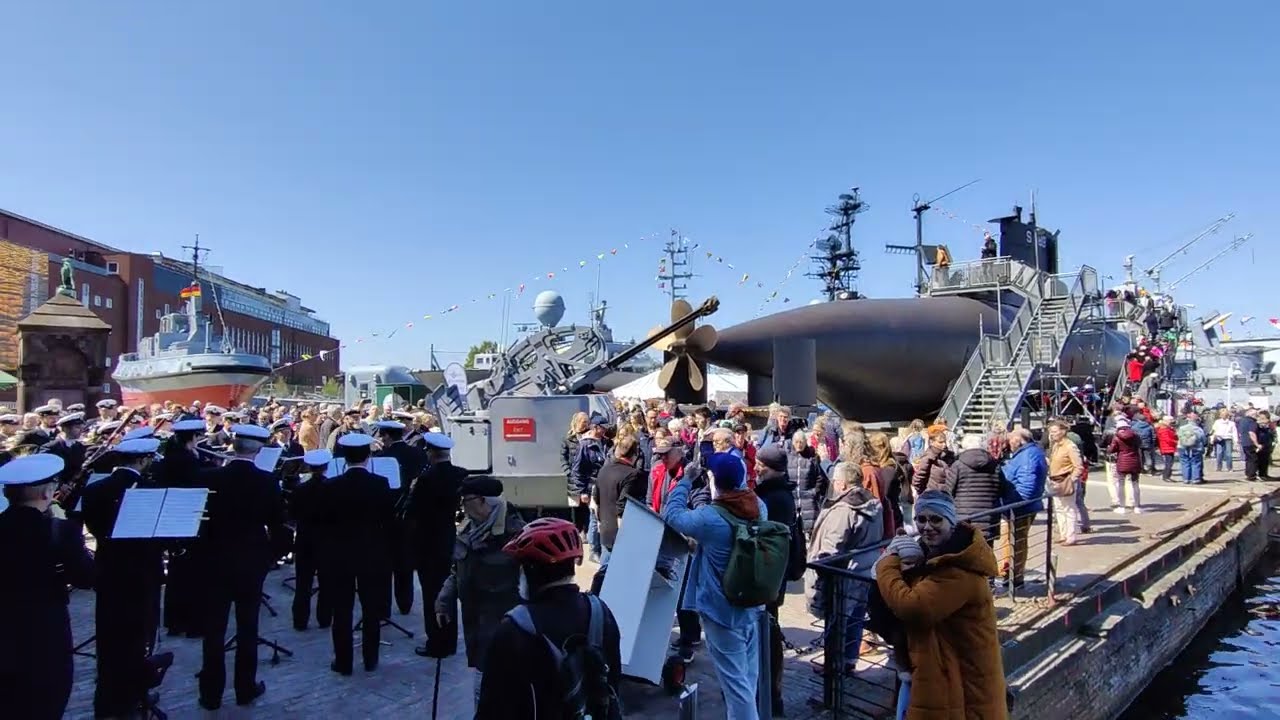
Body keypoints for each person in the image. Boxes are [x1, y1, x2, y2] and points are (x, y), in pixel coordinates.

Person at [874, 490, 1007, 718]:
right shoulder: (937, 556)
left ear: (951, 522)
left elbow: (913, 607)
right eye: (921, 519)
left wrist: (887, 562)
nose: (927, 526)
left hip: (964, 693)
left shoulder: (959, 570)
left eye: (936, 519)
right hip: (947, 679)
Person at [476, 518, 624, 719]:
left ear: (531, 571)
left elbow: (492, 709)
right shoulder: (600, 611)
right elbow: (613, 680)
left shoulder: (514, 630)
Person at [663, 452, 768, 720]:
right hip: (752, 603)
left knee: (736, 686)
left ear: (715, 481)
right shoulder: (759, 507)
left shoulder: (711, 518)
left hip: (723, 610)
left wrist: (685, 480)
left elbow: (672, 514)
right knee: (747, 676)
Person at [80, 436, 174, 718]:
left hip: (108, 569)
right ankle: (133, 696)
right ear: (144, 460)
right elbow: (160, 537)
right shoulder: (149, 490)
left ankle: (107, 700)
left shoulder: (95, 488)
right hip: (142, 572)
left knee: (109, 638)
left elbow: (93, 529)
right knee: (138, 638)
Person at [196, 423, 287, 709]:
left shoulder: (209, 477)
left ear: (233, 447)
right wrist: (271, 555)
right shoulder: (267, 481)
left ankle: (210, 694)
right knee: (248, 626)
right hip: (251, 560)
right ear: (259, 451)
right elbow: (279, 527)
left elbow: (199, 523)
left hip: (214, 560)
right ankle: (244, 688)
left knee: (213, 630)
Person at [0, 454, 96, 719]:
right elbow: (86, 578)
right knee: (47, 698)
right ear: (45, 492)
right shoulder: (61, 530)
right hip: (45, 627)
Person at [434, 474, 525, 706]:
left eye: (466, 500)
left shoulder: (516, 534)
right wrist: (444, 599)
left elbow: (530, 585)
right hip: (476, 623)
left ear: (484, 501)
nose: (462, 506)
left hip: (504, 627)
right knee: (482, 685)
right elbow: (458, 569)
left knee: (496, 689)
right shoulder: (469, 529)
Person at [318, 432, 396, 676]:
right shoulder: (381, 484)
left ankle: (343, 662)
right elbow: (388, 521)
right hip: (372, 553)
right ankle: (370, 658)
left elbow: (325, 523)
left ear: (343, 458)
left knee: (341, 610)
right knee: (371, 608)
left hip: (339, 555)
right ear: (368, 456)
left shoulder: (330, 486)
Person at [408, 431, 466, 658]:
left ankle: (436, 642)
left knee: (432, 594)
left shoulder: (426, 479)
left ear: (431, 453)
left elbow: (413, 511)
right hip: (449, 538)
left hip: (428, 542)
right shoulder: (460, 474)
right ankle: (450, 640)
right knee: (448, 591)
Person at [372, 419, 426, 616]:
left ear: (386, 436)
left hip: (386, 516)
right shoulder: (417, 453)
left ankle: (384, 607)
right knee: (404, 560)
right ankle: (405, 603)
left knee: (384, 564)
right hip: (410, 516)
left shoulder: (382, 456)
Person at [590, 433, 646, 595]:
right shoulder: (633, 474)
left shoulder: (604, 470)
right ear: (634, 454)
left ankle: (597, 598)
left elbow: (596, 499)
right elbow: (623, 504)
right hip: (622, 530)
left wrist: (600, 522)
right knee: (619, 573)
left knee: (605, 568)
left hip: (606, 526)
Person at [289, 448, 333, 631]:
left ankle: (300, 620)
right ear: (326, 467)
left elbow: (291, 514)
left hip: (305, 539)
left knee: (303, 582)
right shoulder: (332, 487)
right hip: (326, 541)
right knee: (326, 581)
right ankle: (324, 618)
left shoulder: (299, 489)